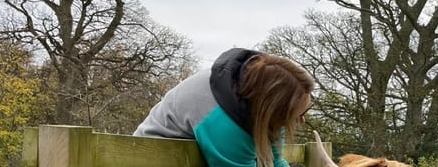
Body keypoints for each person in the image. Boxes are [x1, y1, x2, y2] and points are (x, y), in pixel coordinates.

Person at [134, 48, 314, 167]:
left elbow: (276, 161)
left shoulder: (263, 109)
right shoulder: (223, 122)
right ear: (274, 108)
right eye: (296, 114)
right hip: (150, 158)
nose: (302, 120)